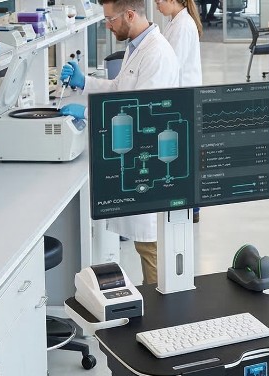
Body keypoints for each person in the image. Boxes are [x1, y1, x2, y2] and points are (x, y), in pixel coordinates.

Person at [59, 0, 180, 285]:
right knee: (145, 246)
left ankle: (164, 320)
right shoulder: (136, 47)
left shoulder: (157, 54)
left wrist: (87, 112)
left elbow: (142, 114)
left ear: (130, 14)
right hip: (138, 159)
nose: (108, 25)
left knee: (152, 250)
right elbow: (119, 89)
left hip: (152, 160)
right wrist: (83, 82)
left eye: (110, 19)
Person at [155, 0, 202, 221]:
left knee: (183, 157)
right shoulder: (175, 22)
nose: (156, 4)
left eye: (158, 0)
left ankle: (192, 208)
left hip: (183, 98)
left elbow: (171, 65)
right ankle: (191, 206)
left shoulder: (183, 26)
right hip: (183, 97)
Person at [156, 0, 203, 87]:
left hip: (184, 86)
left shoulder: (183, 26)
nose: (157, 8)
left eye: (158, 3)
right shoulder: (175, 21)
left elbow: (174, 64)